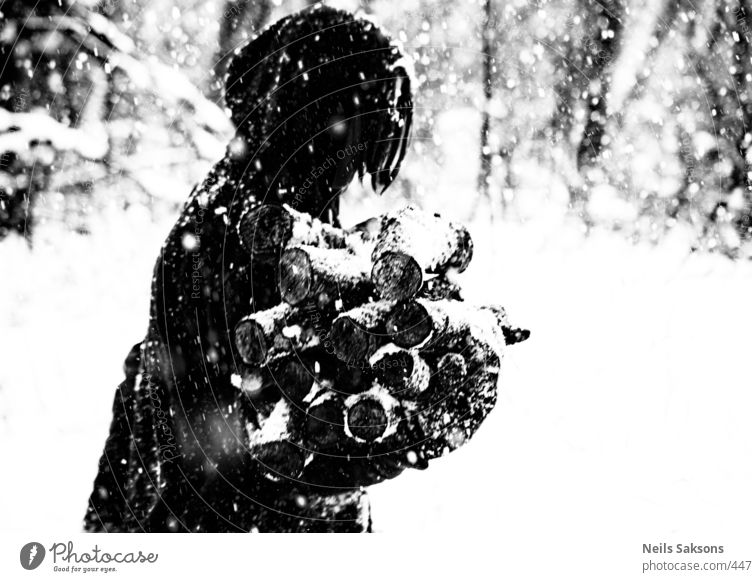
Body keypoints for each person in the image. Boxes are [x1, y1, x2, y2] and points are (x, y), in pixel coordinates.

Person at [84, 5, 506, 533]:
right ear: (319, 121)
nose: (358, 172)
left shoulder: (257, 211)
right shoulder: (238, 241)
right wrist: (412, 434)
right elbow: (255, 455)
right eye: (359, 142)